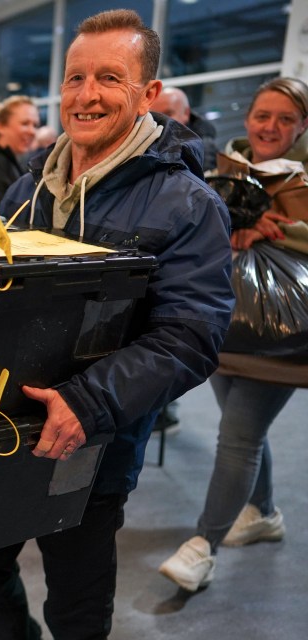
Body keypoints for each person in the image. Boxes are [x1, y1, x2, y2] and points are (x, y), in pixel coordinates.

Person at [0, 10, 234, 639]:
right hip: (0, 428)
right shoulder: (28, 191)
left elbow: (191, 335)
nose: (87, 94)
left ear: (149, 94)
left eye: (110, 77)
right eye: (75, 77)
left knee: (76, 604)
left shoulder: (188, 204)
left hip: (93, 446)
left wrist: (87, 401)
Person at [158, 77, 308, 593]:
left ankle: (203, 547)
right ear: (249, 119)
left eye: (286, 119)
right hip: (226, 319)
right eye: (263, 115)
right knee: (241, 427)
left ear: (302, 126)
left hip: (285, 335)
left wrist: (280, 229)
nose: (271, 127)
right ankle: (264, 513)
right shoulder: (228, 166)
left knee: (239, 435)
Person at [151, 86, 219, 172]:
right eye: (156, 116)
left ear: (186, 113)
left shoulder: (203, 149)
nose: (161, 121)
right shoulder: (150, 140)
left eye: (168, 114)